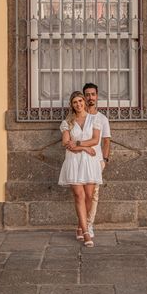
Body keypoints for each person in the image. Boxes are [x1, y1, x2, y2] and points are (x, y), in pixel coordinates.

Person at [58, 91, 103, 247]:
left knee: (89, 196)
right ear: (72, 105)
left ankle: (80, 225)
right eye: (75, 102)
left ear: (84, 101)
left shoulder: (95, 119)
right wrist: (84, 148)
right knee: (79, 196)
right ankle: (85, 233)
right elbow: (66, 144)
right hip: (74, 162)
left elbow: (95, 140)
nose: (78, 104)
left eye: (80, 101)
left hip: (90, 163)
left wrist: (78, 144)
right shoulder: (67, 122)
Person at [82, 82, 111, 238]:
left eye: (93, 94)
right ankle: (82, 225)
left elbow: (106, 141)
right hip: (79, 160)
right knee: (80, 194)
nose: (90, 97)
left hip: (96, 160)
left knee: (93, 194)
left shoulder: (102, 118)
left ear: (97, 96)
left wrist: (104, 160)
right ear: (83, 96)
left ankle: (89, 225)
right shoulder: (79, 116)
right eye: (87, 94)